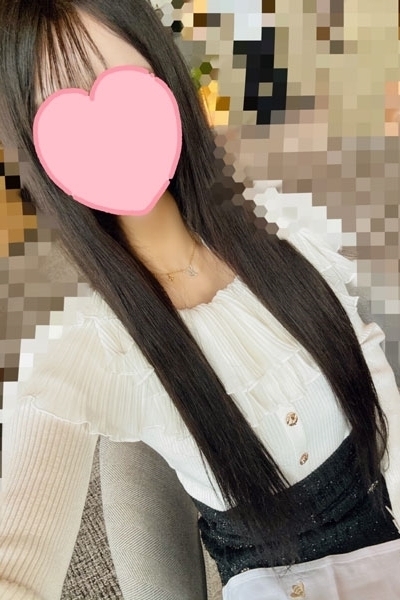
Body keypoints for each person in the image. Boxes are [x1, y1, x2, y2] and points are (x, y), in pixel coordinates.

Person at [0, 1, 399, 599]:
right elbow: (17, 561)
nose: (105, 126)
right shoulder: (84, 344)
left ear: (160, 69)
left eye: (114, 80)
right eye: (62, 107)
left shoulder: (284, 221)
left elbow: (373, 376)